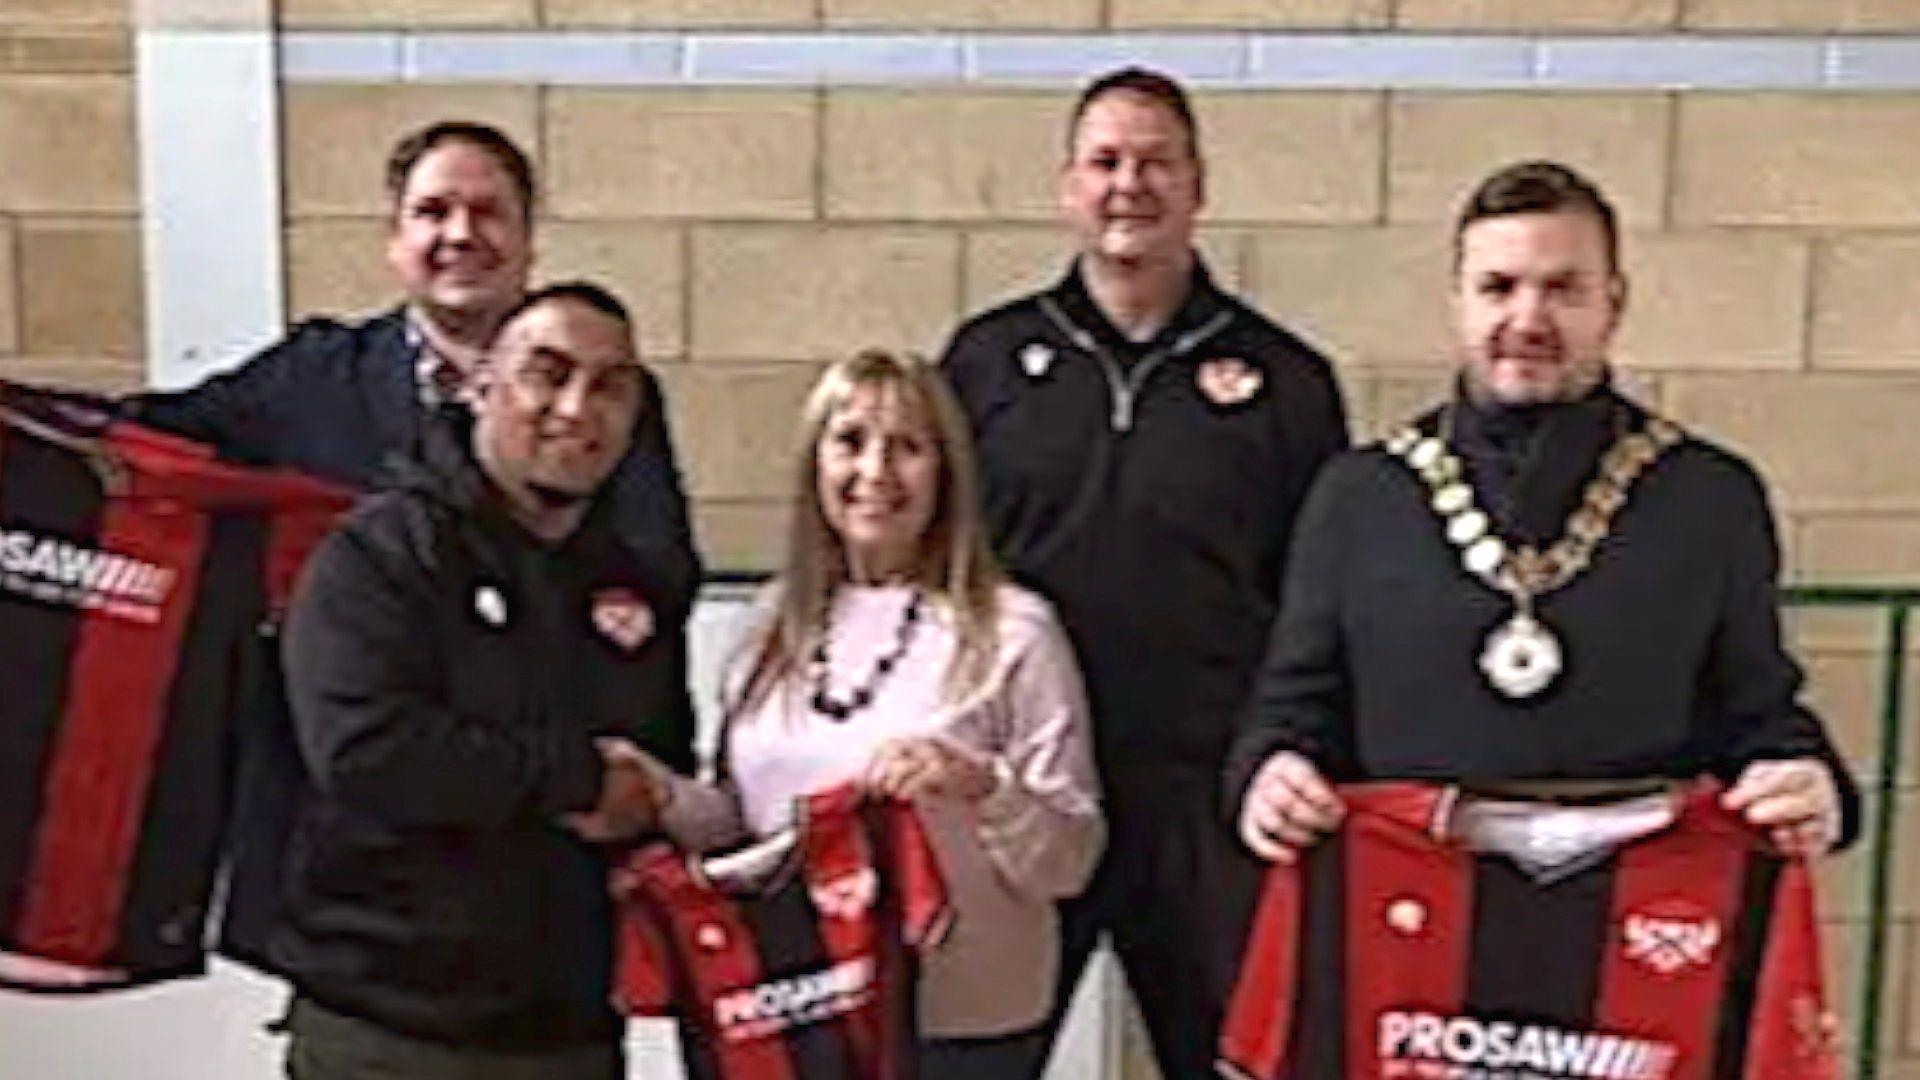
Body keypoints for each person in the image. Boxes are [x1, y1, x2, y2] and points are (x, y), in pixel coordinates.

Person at [127, 120, 699, 967]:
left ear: (529, 239)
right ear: (395, 241)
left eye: (488, 212)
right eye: (434, 211)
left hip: (540, 872)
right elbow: (153, 442)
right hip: (365, 879)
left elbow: (656, 585)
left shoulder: (606, 391)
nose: (462, 233)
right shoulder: (314, 376)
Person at [1227, 158, 1857, 876]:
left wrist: (1810, 781)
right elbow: (1295, 707)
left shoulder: (1711, 496)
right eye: (1498, 288)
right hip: (1406, 907)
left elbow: (1759, 712)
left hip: (1641, 914)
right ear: (1457, 303)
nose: (1528, 319)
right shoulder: (1358, 496)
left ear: (1613, 304)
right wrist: (1270, 773)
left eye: (1563, 289)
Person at [938, 66, 1349, 1077]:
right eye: (1106, 161)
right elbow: (934, 572)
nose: (1131, 183)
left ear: (1198, 185)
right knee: (977, 1061)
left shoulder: (1287, 382)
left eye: (1157, 160)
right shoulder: (985, 362)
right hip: (1025, 791)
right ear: (1067, 187)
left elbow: (1323, 605)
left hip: (1209, 800)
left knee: (1232, 1061)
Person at [274, 282, 689, 1079]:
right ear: (481, 386)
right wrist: (574, 779)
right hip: (390, 1035)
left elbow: (657, 768)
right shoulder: (381, 555)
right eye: (549, 372)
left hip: (569, 1036)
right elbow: (367, 751)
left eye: (610, 386)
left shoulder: (632, 587)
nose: (576, 407)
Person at [674, 349, 1104, 1077]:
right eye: (850, 442)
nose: (874, 472)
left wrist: (982, 785)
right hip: (799, 1003)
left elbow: (1071, 860)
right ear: (816, 466)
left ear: (946, 472)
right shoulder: (771, 626)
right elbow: (741, 820)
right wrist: (659, 797)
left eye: (906, 447)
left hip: (957, 1026)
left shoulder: (1014, 631)